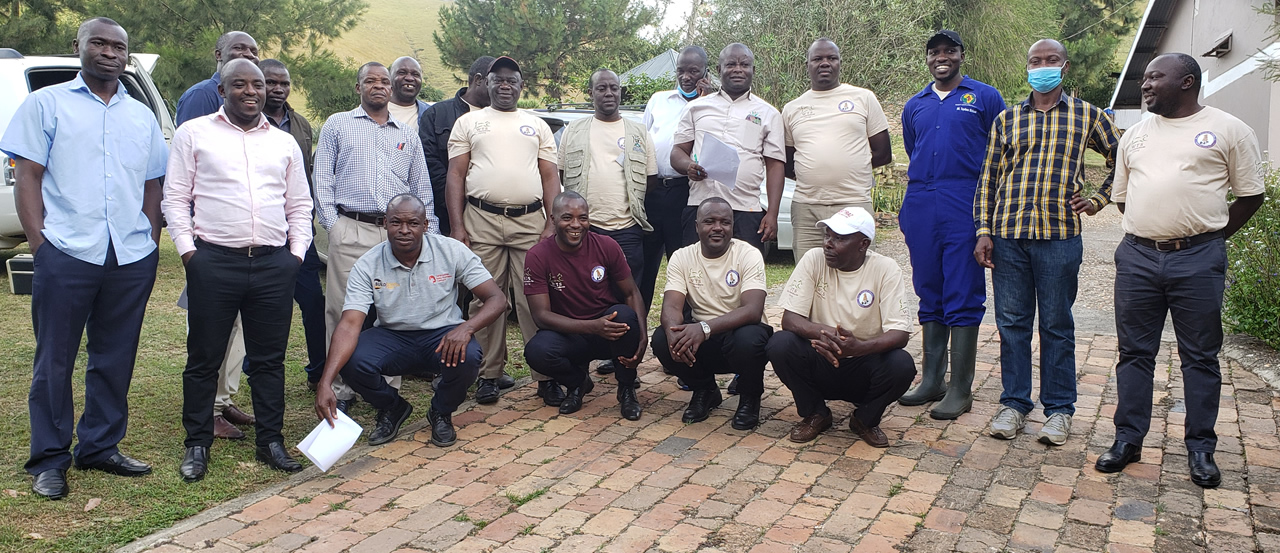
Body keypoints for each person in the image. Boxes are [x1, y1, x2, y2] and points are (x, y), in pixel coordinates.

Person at [0, 17, 168, 500]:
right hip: (67, 251)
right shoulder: (45, 104)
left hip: (130, 254)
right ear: (78, 47)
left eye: (119, 45)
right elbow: (27, 175)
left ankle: (99, 446)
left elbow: (152, 183)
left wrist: (150, 242)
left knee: (115, 356)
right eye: (99, 43)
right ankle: (49, 459)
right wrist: (40, 246)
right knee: (55, 360)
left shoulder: (140, 116)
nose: (109, 52)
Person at [1094, 53, 1264, 488]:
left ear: (1187, 82)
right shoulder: (1134, 135)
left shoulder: (1229, 130)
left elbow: (1250, 196)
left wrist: (1205, 239)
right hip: (1137, 258)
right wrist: (1154, 233)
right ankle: (1128, 440)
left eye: (1155, 77)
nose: (1145, 85)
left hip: (1198, 259)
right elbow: (1123, 196)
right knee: (1134, 353)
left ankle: (1201, 449)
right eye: (1145, 78)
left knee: (1200, 356)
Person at [164, 59, 313, 481]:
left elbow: (300, 204)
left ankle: (270, 440)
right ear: (222, 90)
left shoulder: (282, 142)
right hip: (213, 261)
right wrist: (190, 253)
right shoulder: (194, 134)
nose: (251, 92)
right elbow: (175, 198)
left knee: (269, 359)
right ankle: (197, 442)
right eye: (240, 85)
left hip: (273, 264)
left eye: (258, 85)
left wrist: (296, 255)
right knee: (203, 358)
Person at [974, 38, 1119, 446]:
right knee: (1012, 324)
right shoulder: (1006, 120)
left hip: (1058, 237)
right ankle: (1014, 404)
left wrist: (1097, 200)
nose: (1042, 66)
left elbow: (1123, 161)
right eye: (1035, 60)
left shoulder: (1088, 116)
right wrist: (983, 231)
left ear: (1064, 67)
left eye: (1051, 60)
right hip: (1008, 236)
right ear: (1027, 67)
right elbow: (988, 180)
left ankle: (1059, 410)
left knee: (1056, 324)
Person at [314, 195, 507, 447]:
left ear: (425, 225)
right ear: (385, 223)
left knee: (468, 355)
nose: (404, 230)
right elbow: (350, 324)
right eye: (396, 222)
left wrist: (466, 328)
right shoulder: (368, 264)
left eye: (413, 223)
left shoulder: (451, 250)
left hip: (442, 335)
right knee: (351, 360)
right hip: (393, 336)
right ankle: (392, 407)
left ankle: (441, 411)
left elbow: (496, 298)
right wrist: (326, 381)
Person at [315, 61, 437, 414]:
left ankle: (385, 384)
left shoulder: (406, 133)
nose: (379, 86)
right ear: (359, 88)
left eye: (384, 81)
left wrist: (426, 231)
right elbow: (322, 178)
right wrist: (332, 224)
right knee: (341, 310)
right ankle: (339, 386)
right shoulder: (339, 124)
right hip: (351, 227)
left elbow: (421, 188)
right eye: (370, 81)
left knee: (392, 310)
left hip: (396, 235)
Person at [897, 30, 1005, 420]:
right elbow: (914, 148)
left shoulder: (985, 97)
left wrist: (986, 219)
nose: (942, 57)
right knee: (929, 288)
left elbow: (1000, 154)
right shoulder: (916, 104)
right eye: (935, 52)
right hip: (922, 199)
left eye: (949, 51)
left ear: (962, 55)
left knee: (962, 289)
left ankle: (960, 388)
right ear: (927, 59)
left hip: (965, 199)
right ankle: (932, 380)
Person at [447, 56, 561, 406]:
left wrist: (550, 221)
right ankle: (489, 375)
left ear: (521, 85)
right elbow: (455, 175)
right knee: (486, 298)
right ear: (486, 83)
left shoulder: (537, 125)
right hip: (481, 218)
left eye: (512, 79)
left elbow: (549, 176)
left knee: (534, 298)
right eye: (499, 79)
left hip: (530, 220)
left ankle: (545, 375)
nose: (505, 85)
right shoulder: (469, 122)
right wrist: (457, 226)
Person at [174, 30, 262, 440]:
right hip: (210, 244)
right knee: (211, 332)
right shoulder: (200, 98)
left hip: (253, 249)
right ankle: (205, 410)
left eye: (252, 52)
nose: (246, 56)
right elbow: (186, 177)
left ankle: (223, 401)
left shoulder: (257, 106)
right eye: (237, 51)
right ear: (218, 56)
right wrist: (192, 248)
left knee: (240, 331)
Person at [767, 207, 915, 447]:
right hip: (821, 356)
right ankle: (816, 413)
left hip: (863, 364)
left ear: (863, 244)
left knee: (902, 364)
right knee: (780, 344)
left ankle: (865, 419)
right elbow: (790, 319)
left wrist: (858, 348)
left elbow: (900, 334)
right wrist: (831, 336)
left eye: (840, 238)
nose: (828, 243)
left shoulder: (886, 269)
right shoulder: (814, 259)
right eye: (827, 235)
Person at [558, 68, 658, 378]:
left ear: (620, 91)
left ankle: (624, 362)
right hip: (585, 232)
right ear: (591, 93)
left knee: (628, 294)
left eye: (613, 87)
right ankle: (583, 361)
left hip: (627, 229)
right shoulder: (574, 130)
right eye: (601, 88)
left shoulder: (638, 132)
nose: (608, 93)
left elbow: (650, 179)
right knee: (584, 297)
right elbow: (562, 176)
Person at [522, 192, 647, 418]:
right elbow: (541, 316)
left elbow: (631, 292)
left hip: (607, 331)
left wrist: (643, 336)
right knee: (537, 351)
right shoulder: (537, 255)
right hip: (570, 333)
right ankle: (578, 383)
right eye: (567, 218)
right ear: (552, 220)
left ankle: (626, 388)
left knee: (627, 317)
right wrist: (592, 326)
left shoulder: (606, 246)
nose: (576, 225)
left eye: (583, 218)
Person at [651, 197, 772, 430]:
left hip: (739, 334)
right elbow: (672, 307)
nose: (718, 227)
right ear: (697, 226)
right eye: (709, 221)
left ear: (732, 227)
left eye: (725, 222)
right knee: (662, 339)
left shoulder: (748, 254)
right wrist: (674, 333)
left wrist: (704, 329)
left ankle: (750, 396)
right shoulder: (682, 256)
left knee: (750, 339)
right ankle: (705, 390)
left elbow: (753, 310)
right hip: (702, 339)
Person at [782, 38, 892, 258]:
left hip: (853, 202)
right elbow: (787, 162)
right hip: (806, 206)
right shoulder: (792, 108)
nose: (825, 63)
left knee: (856, 275)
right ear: (808, 65)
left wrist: (851, 168)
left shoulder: (863, 98)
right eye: (818, 59)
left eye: (831, 58)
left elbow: (883, 153)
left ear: (840, 63)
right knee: (809, 273)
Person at [671, 42, 784, 253]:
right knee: (696, 275)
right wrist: (688, 166)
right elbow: (677, 152)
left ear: (753, 70)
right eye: (731, 64)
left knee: (745, 277)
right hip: (700, 207)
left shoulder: (769, 114)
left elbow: (775, 165)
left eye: (745, 64)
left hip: (746, 209)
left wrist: (773, 213)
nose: (738, 69)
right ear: (718, 69)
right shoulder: (696, 107)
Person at [260, 58, 327, 391]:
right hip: (260, 233)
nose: (278, 89)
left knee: (313, 301)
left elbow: (306, 178)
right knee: (264, 307)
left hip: (299, 231)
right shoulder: (243, 121)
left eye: (283, 83)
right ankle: (253, 368)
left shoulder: (300, 125)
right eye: (270, 82)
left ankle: (318, 370)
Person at [639, 45, 711, 310]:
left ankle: (684, 331)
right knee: (643, 268)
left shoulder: (712, 105)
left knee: (684, 266)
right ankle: (636, 335)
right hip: (653, 192)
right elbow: (642, 142)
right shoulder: (659, 100)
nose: (686, 77)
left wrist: (706, 99)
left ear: (705, 71)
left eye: (693, 71)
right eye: (681, 70)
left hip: (687, 194)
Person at [419, 56, 495, 236]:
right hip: (447, 216)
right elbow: (428, 163)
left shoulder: (503, 118)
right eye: (494, 81)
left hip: (491, 216)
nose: (500, 87)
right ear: (478, 80)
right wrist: (456, 203)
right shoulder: (437, 114)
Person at [175, 31, 259, 127]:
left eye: (254, 52)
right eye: (239, 48)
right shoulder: (202, 94)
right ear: (219, 55)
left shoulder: (256, 95)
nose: (249, 54)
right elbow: (193, 137)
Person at [387, 56, 430, 134]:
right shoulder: (374, 112)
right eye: (402, 72)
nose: (409, 78)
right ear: (389, 78)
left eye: (415, 74)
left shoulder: (431, 114)